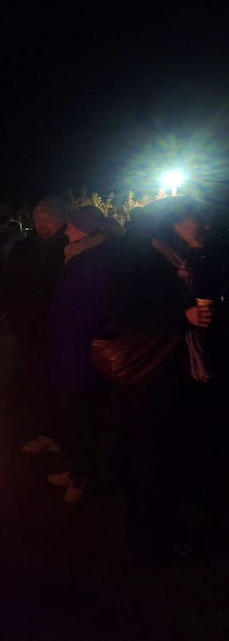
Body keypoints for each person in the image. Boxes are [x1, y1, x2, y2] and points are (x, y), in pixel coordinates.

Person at [109, 196, 220, 563]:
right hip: (152, 376)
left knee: (175, 456)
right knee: (153, 458)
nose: (203, 225)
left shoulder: (190, 260)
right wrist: (182, 316)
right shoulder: (142, 257)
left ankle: (168, 530)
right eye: (196, 219)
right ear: (175, 222)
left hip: (181, 374)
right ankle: (150, 541)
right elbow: (126, 314)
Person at [44, 205, 115, 503]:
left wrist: (68, 333)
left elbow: (90, 309)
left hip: (79, 351)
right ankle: (78, 469)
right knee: (76, 414)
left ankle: (83, 477)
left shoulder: (90, 261)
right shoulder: (84, 256)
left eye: (71, 226)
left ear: (83, 230)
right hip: (73, 347)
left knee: (82, 415)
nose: (66, 231)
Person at [1, 195, 69, 455]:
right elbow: (7, 282)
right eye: (38, 218)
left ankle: (65, 435)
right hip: (29, 327)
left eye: (48, 218)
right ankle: (46, 431)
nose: (42, 224)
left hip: (60, 329)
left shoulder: (70, 246)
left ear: (61, 219)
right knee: (37, 381)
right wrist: (14, 313)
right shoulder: (24, 247)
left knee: (62, 383)